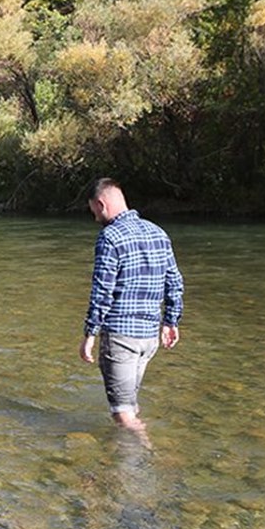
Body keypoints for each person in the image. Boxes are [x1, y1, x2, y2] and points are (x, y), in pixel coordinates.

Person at [80, 178, 184, 438]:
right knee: (130, 404)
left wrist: (89, 335)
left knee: (122, 413)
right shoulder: (158, 232)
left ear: (101, 204)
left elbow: (102, 290)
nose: (95, 218)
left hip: (121, 337)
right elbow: (174, 281)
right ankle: (122, 463)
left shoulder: (110, 237)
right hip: (149, 338)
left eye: (93, 210)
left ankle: (143, 463)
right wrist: (171, 321)